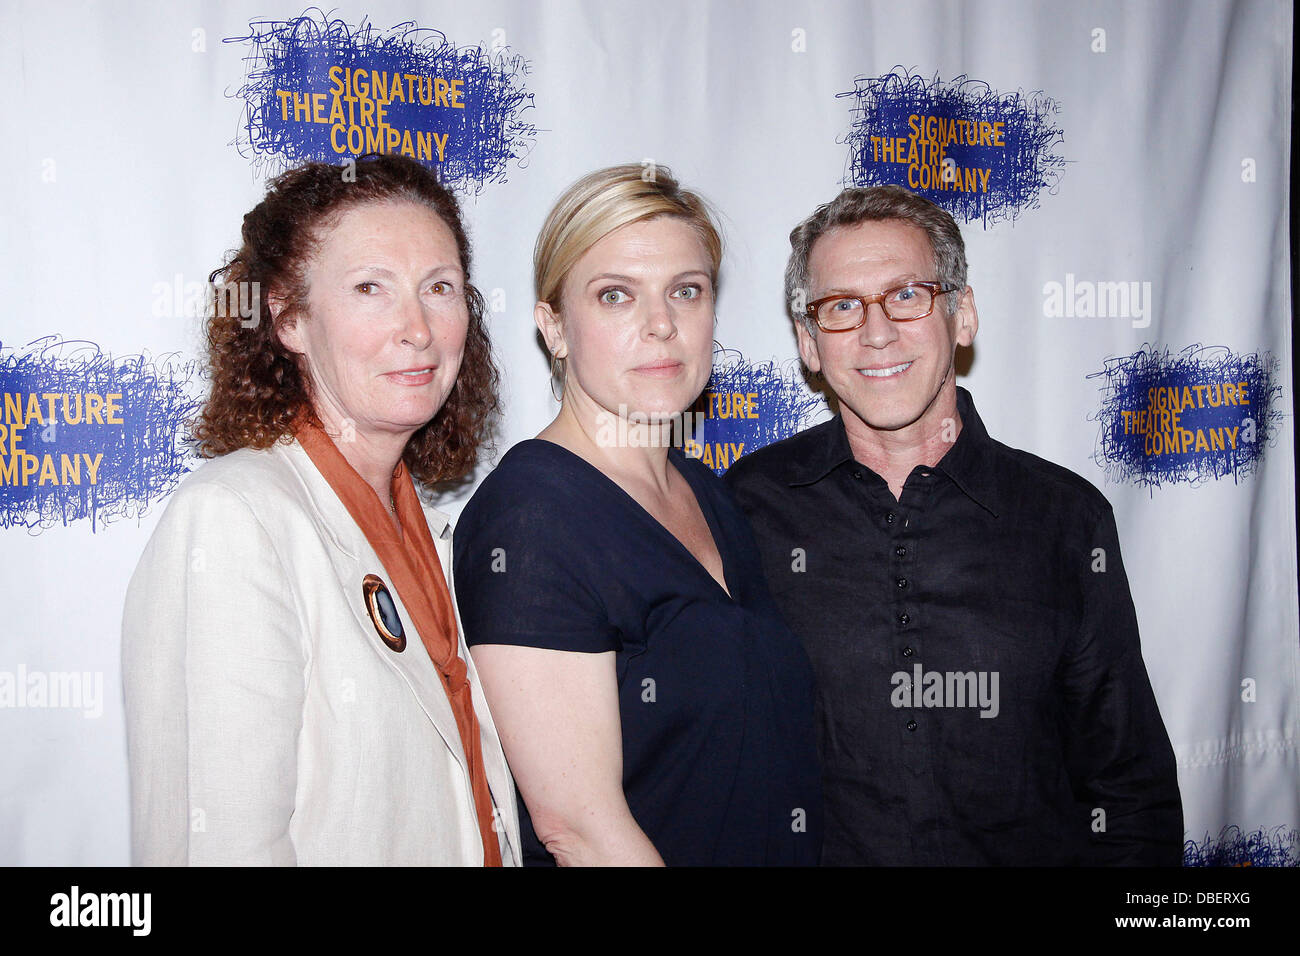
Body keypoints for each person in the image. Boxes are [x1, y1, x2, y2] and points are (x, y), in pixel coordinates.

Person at [724, 185, 1183, 865]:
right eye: (842, 306)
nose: (876, 332)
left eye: (907, 294)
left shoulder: (1064, 517)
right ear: (809, 343)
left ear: (961, 314)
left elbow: (1128, 788)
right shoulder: (743, 508)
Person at [121, 154, 520, 866]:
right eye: (371, 287)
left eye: (440, 287)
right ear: (289, 320)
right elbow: (228, 845)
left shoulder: (430, 529)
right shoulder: (234, 520)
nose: (418, 327)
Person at [452, 164, 823, 866]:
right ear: (554, 327)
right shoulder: (529, 520)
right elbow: (581, 833)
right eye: (616, 296)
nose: (661, 325)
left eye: (687, 291)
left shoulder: (714, 496)